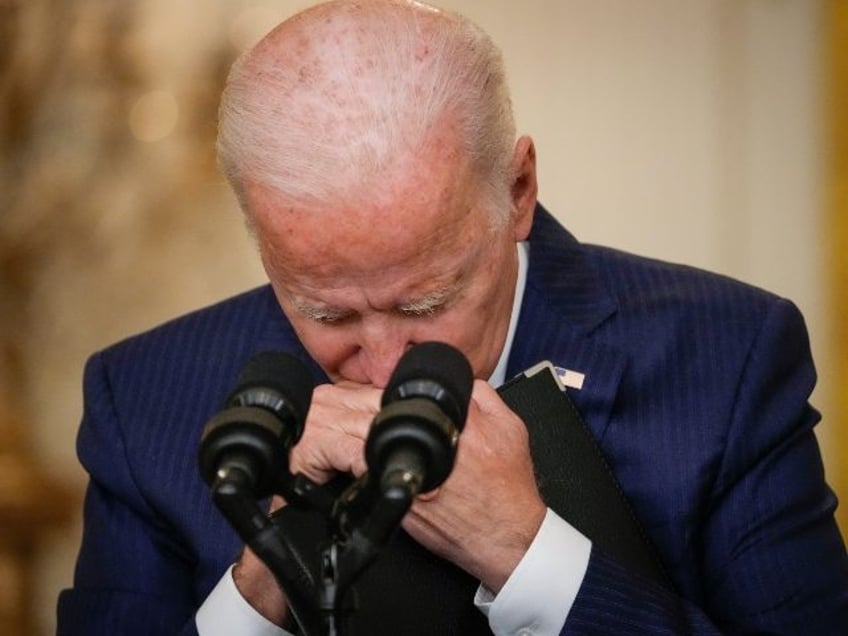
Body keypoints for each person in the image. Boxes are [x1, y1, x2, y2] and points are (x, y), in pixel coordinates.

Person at [57, 1, 848, 634]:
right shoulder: (144, 396)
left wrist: (528, 555)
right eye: (324, 308)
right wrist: (263, 586)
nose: (384, 364)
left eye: (426, 302)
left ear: (518, 190)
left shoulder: (728, 358)